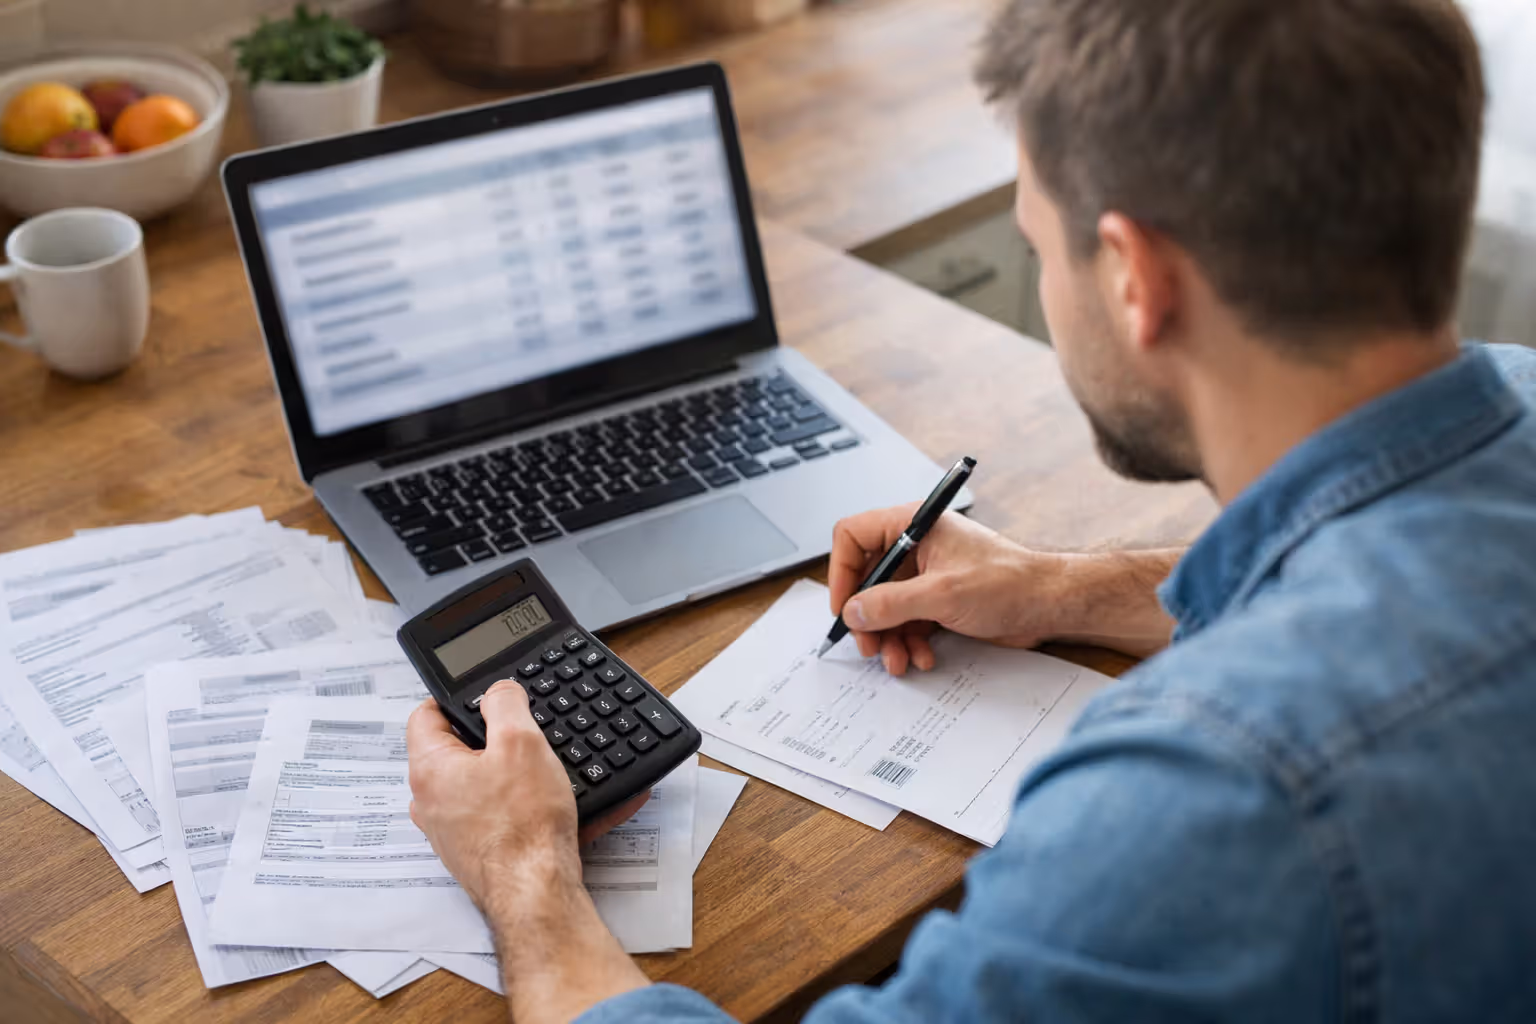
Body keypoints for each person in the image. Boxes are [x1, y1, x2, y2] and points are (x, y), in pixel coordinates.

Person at [405, 0, 1536, 1019]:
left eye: (1035, 243)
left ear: (1135, 276)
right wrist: (1063, 587)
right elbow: (1386, 554)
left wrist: (526, 875)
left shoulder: (1210, 806)